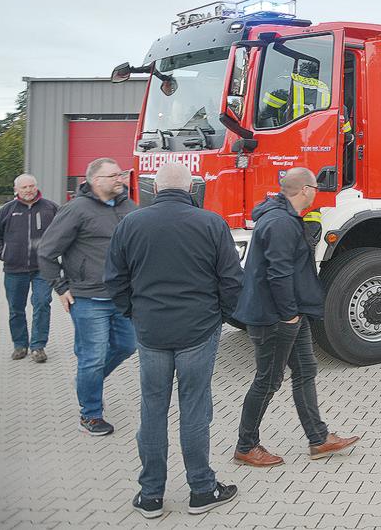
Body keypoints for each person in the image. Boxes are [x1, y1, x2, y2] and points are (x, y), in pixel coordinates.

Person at [103, 163, 242, 518]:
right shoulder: (211, 223)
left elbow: (115, 279)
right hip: (198, 329)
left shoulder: (131, 224)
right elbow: (232, 280)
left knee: (152, 410)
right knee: (195, 409)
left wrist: (133, 313)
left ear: (153, 187)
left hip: (151, 332)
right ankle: (201, 489)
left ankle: (150, 495)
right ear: (192, 186)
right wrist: (221, 316)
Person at [233, 167, 360, 467]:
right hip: (275, 317)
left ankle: (319, 438)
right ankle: (246, 445)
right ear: (304, 190)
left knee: (305, 370)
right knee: (268, 379)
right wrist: (289, 315)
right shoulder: (280, 223)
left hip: (291, 312)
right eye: (314, 188)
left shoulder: (284, 217)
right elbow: (278, 274)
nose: (316, 192)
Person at [38, 158, 137, 436]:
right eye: (114, 175)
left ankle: (86, 382)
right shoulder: (76, 210)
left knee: (128, 346)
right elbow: (46, 251)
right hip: (87, 298)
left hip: (122, 297)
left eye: (121, 174)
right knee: (92, 358)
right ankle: (91, 414)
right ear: (96, 181)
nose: (120, 179)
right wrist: (60, 286)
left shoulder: (129, 207)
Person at [0, 174, 58, 362]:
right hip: (14, 268)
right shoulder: (7, 210)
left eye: (31, 186)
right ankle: (20, 344)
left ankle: (38, 346)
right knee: (16, 308)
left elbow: (63, 232)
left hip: (43, 267)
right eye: (24, 187)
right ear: (16, 190)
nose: (28, 190)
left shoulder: (51, 208)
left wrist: (54, 254)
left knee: (42, 304)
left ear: (36, 187)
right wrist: (4, 253)